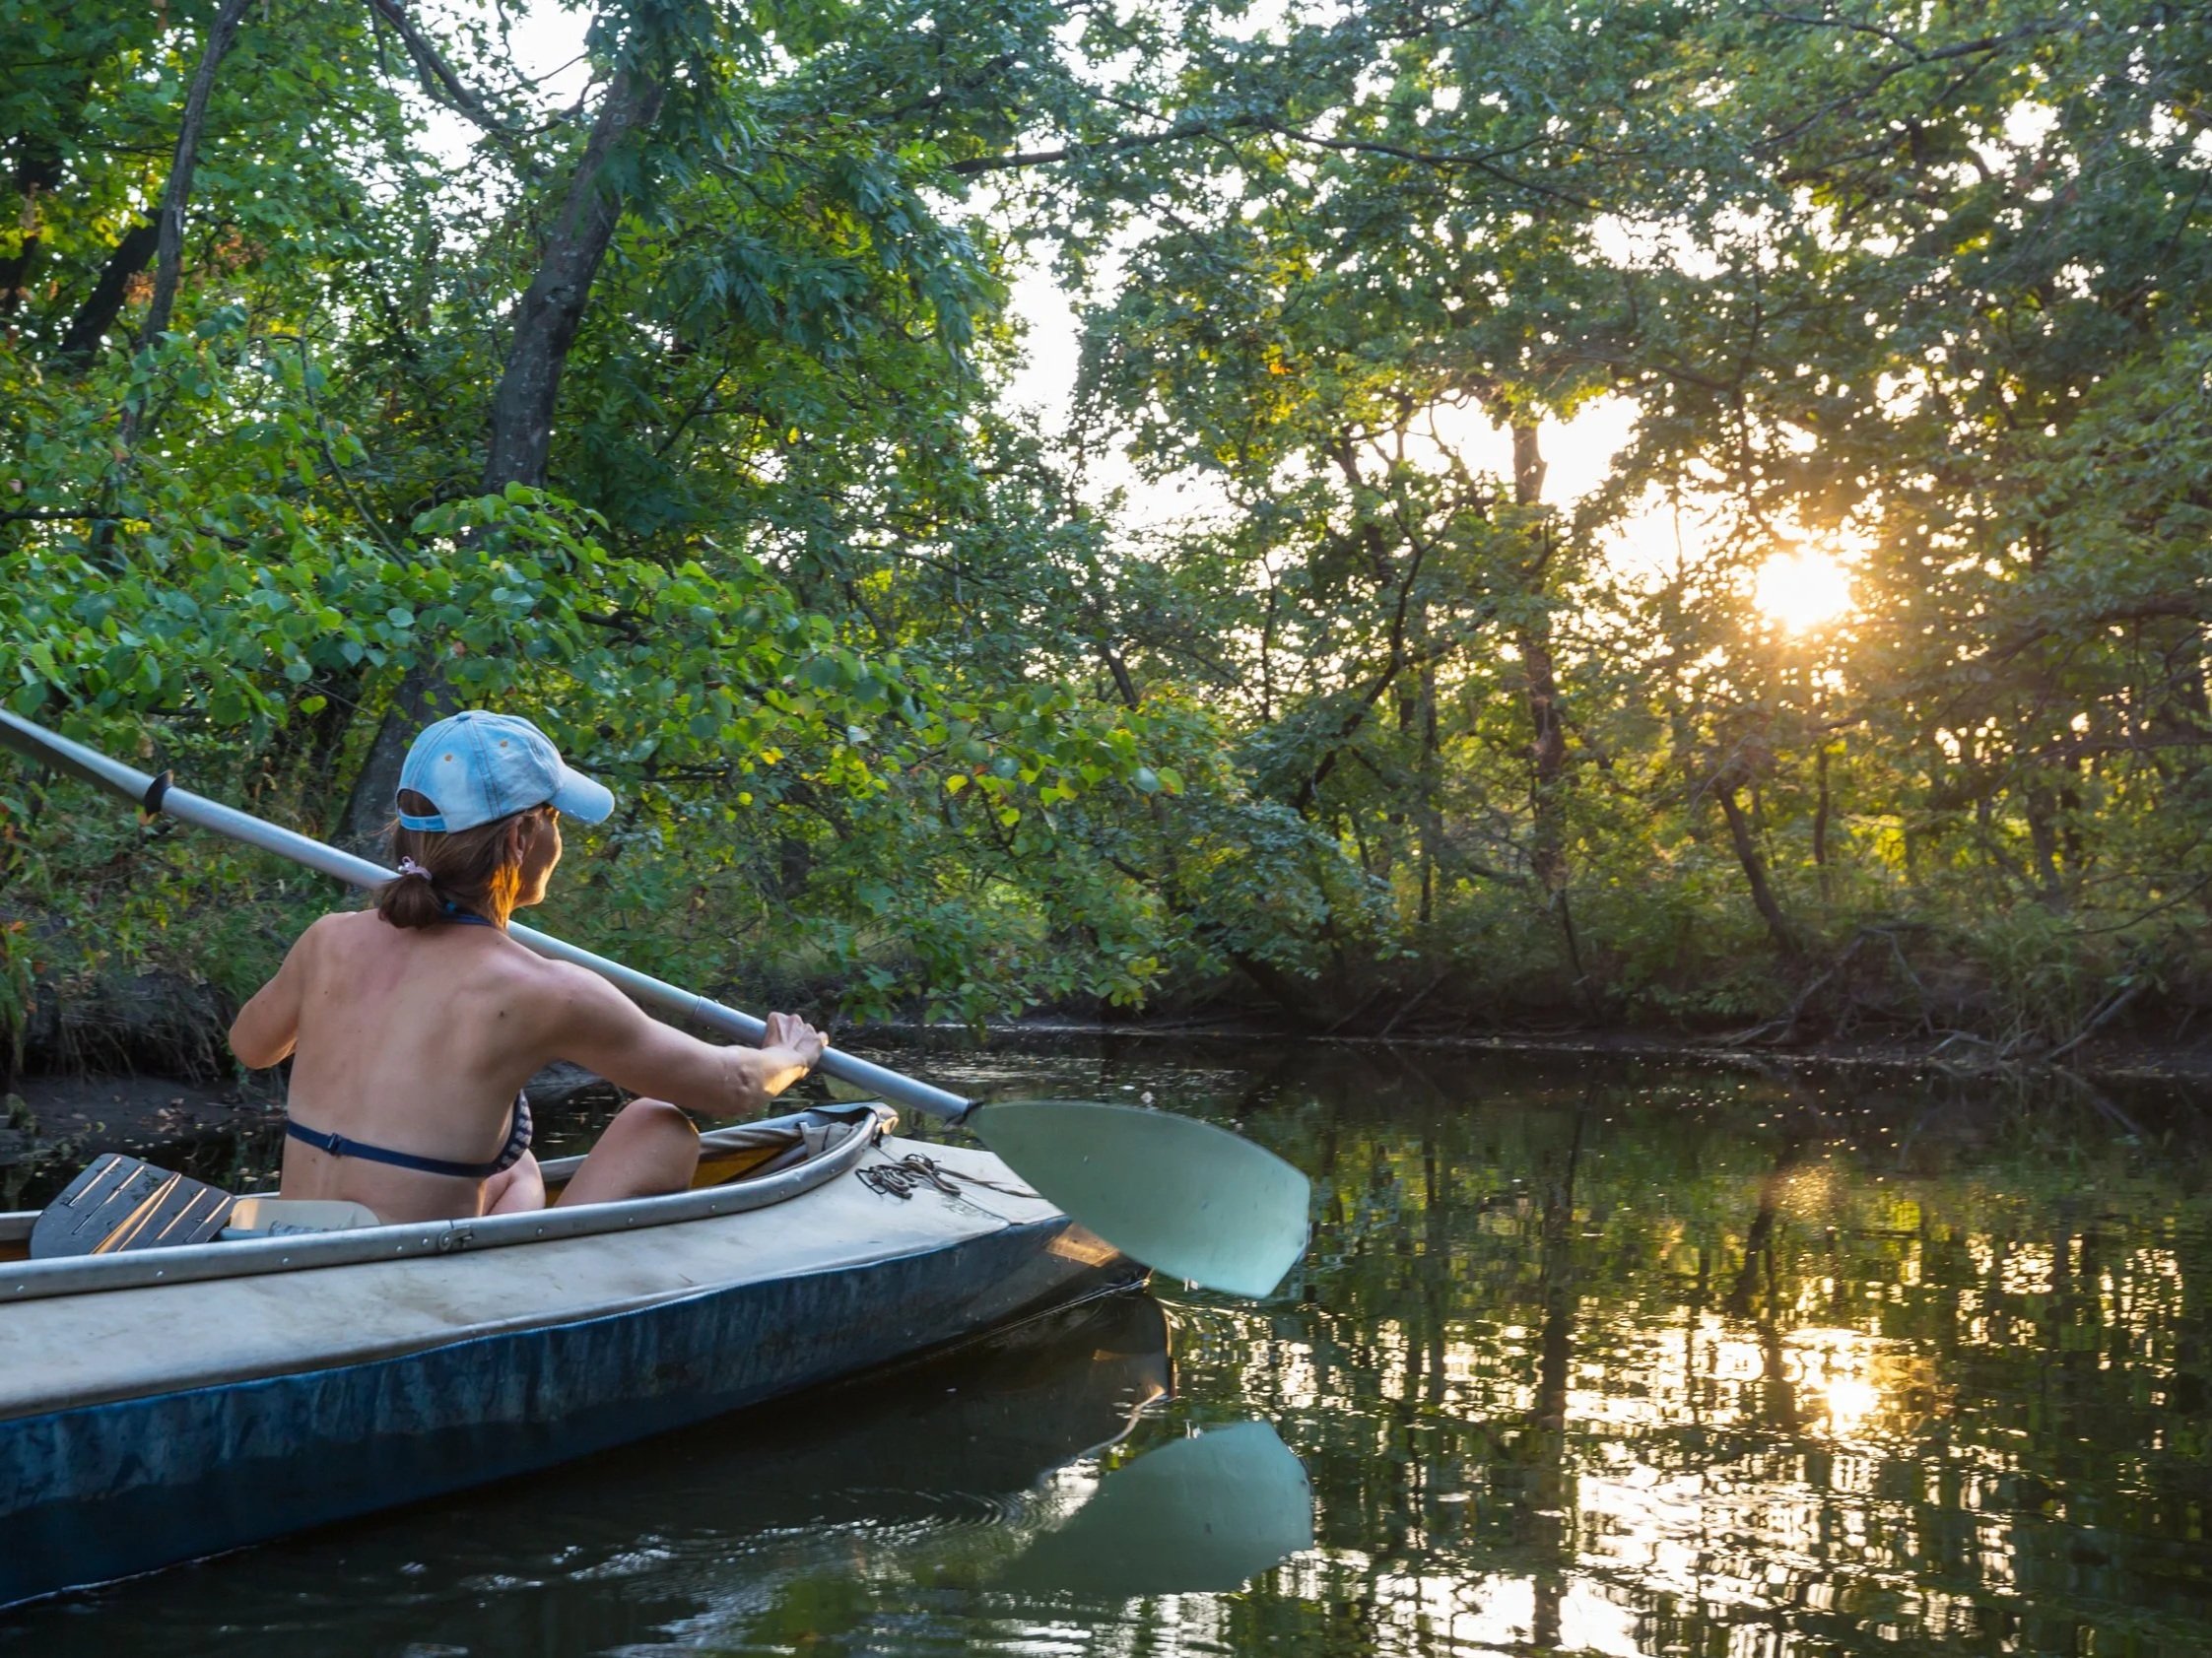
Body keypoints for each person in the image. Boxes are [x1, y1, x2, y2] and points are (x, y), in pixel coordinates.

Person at [228, 709, 827, 1224]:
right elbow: (731, 1086)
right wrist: (791, 1056)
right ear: (519, 837)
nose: (558, 840)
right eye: (555, 820)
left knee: (516, 1167)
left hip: (292, 1246)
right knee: (658, 1127)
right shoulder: (544, 990)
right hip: (402, 1278)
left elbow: (251, 1047)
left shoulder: (328, 938)